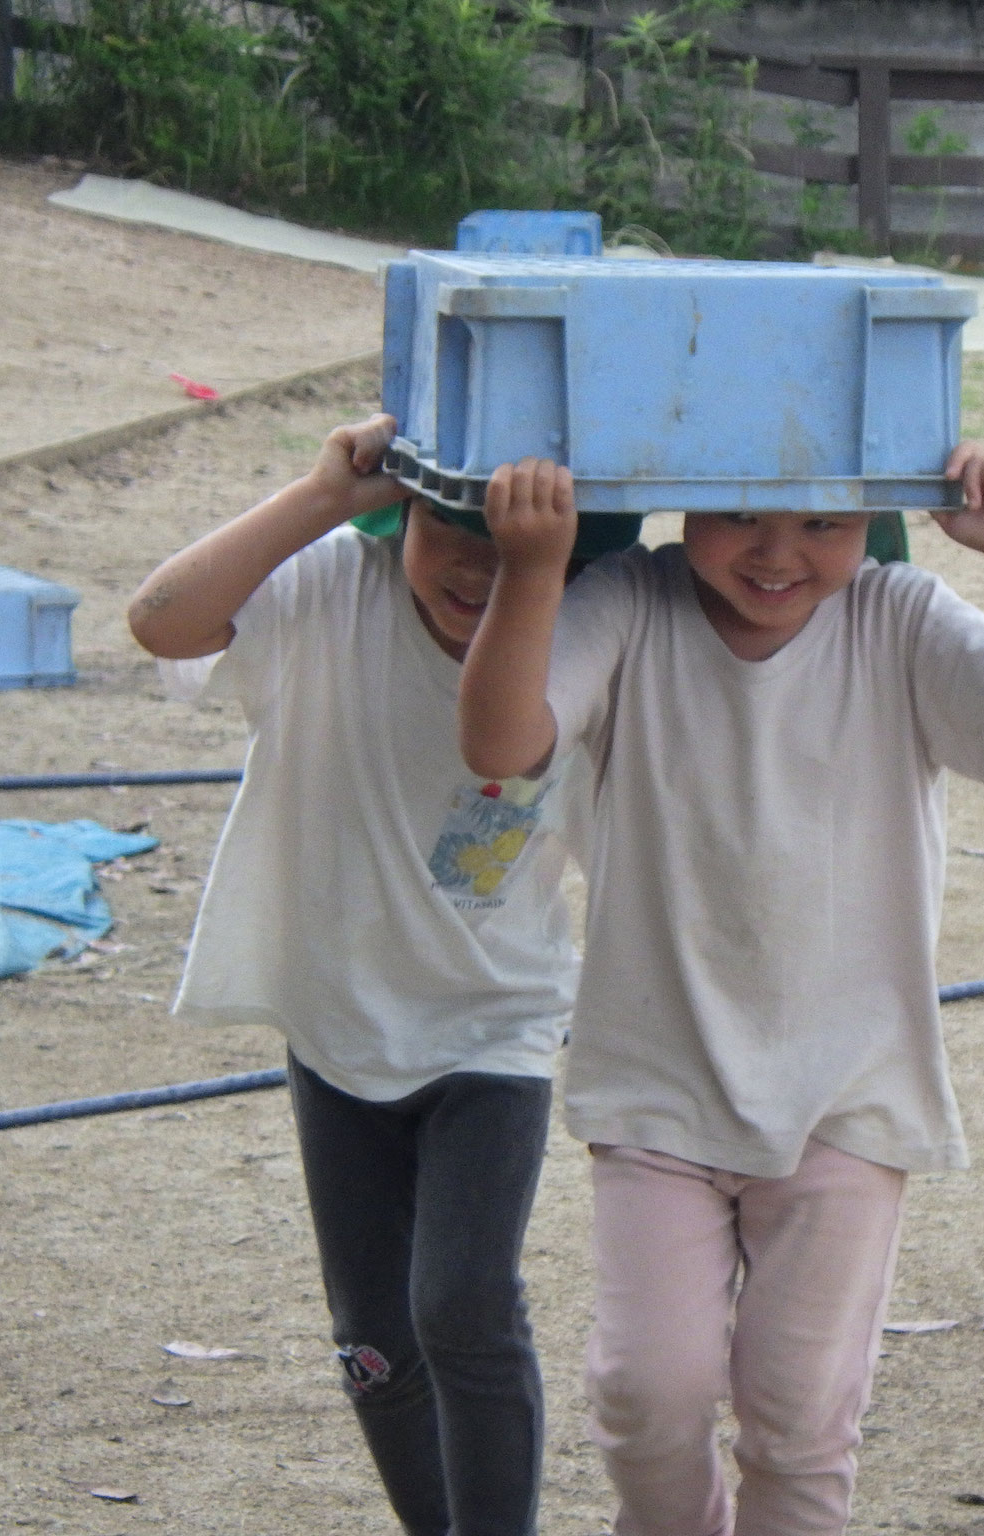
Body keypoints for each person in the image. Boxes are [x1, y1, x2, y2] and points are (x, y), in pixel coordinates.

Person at [457, 450, 984, 1534]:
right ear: (679, 499)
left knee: (800, 1419)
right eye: (740, 511)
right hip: (657, 1082)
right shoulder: (628, 602)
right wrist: (534, 569)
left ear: (875, 516)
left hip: (843, 1095)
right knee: (642, 1397)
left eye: (821, 522)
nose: (775, 551)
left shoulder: (896, 616)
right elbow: (498, 740)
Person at [127, 413, 635, 1536]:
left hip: (489, 1027)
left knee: (460, 1303)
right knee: (369, 1336)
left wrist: (539, 577)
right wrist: (321, 497)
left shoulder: (591, 643)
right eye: (452, 529)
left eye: (518, 547)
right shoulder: (327, 589)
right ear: (395, 514)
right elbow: (160, 623)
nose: (476, 566)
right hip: (335, 1019)